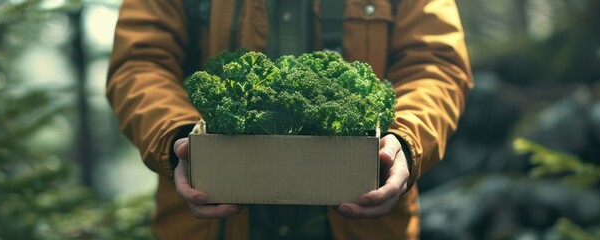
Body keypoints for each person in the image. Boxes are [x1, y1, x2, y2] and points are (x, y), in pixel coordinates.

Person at [106, 0, 473, 239]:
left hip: (366, 223)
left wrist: (405, 140)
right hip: (208, 226)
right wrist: (180, 140)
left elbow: (436, 65)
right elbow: (139, 64)